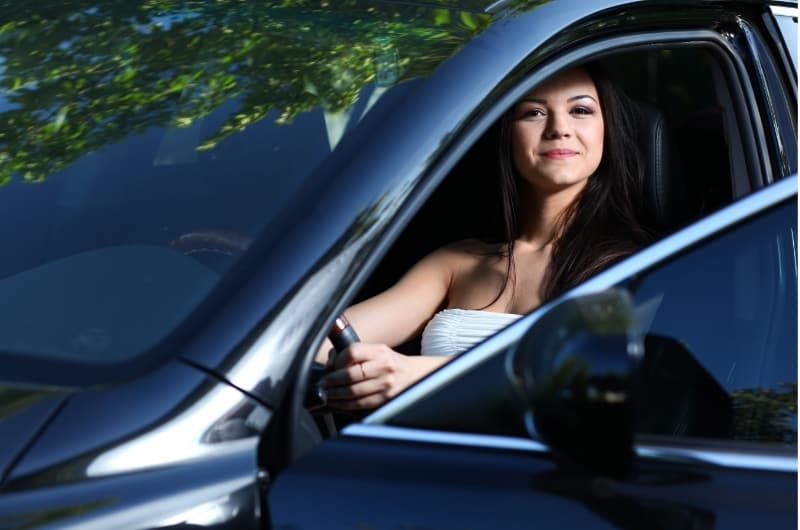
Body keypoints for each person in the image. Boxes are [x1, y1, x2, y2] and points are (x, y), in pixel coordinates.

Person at [316, 63, 652, 411]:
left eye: (580, 110)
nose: (559, 129)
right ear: (506, 132)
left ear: (607, 129)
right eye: (533, 112)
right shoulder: (457, 262)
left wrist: (415, 375)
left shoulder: (638, 267)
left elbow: (589, 386)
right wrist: (347, 368)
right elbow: (314, 346)